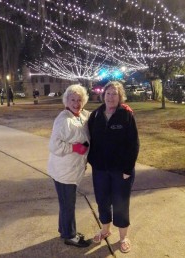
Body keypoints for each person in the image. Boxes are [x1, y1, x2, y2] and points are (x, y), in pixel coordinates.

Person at [87, 81, 139, 253]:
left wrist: (127, 169)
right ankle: (105, 230)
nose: (110, 97)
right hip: (100, 170)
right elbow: (89, 140)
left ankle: (123, 237)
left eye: (114, 94)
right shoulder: (96, 115)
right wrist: (92, 162)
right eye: (108, 93)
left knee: (120, 203)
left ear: (120, 97)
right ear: (103, 95)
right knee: (102, 200)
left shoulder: (126, 115)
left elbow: (133, 144)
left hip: (121, 170)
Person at [47, 84, 91, 248]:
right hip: (64, 171)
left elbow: (97, 117)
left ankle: (63, 229)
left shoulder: (82, 115)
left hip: (71, 169)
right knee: (68, 204)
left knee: (65, 202)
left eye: (79, 99)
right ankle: (70, 236)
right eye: (72, 99)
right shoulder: (63, 119)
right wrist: (74, 147)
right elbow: (54, 145)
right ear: (66, 101)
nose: (76, 103)